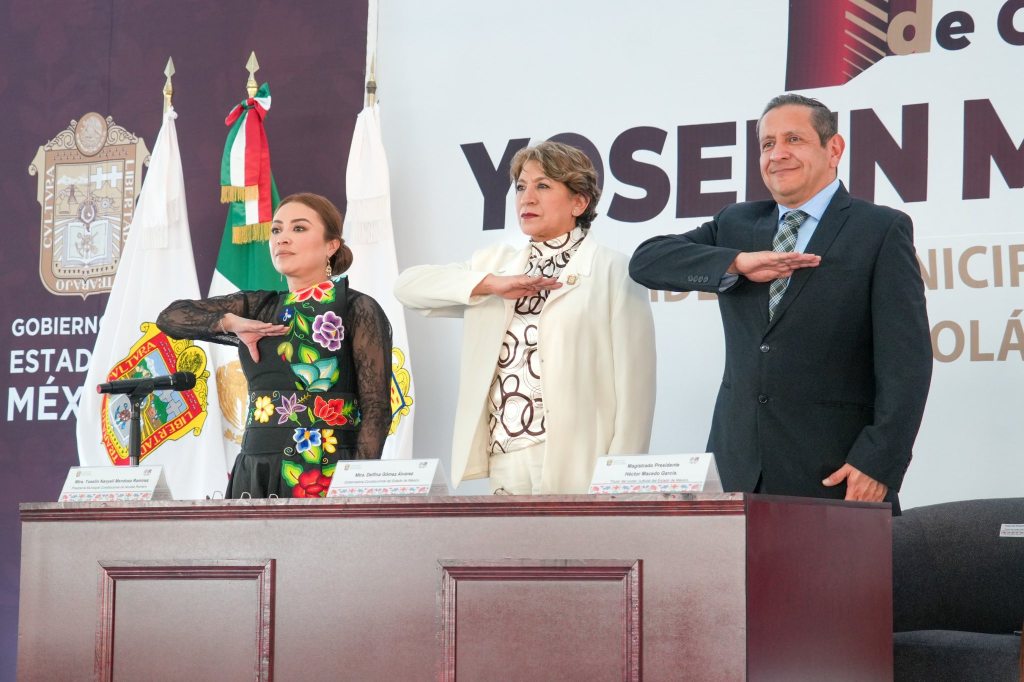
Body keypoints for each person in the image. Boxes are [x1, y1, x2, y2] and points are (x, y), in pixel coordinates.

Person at [629, 94, 932, 512]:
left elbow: (907, 363)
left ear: (834, 149)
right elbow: (647, 260)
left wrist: (879, 462)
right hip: (736, 473)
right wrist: (737, 261)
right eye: (768, 144)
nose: (778, 154)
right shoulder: (737, 222)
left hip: (835, 475)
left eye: (794, 139)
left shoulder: (880, 229)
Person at [395, 141, 656, 494]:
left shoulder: (614, 269)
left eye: (543, 186)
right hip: (506, 453)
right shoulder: (495, 265)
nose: (526, 198)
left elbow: (635, 387)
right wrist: (491, 284)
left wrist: (622, 476)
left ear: (579, 201)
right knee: (512, 550)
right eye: (521, 187)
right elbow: (407, 287)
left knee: (580, 550)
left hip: (579, 459)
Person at [157, 192, 392, 498]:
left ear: (331, 245)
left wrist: (358, 487)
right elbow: (170, 318)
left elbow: (376, 407)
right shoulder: (260, 306)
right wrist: (232, 323)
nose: (282, 239)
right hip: (256, 467)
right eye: (276, 230)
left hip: (324, 467)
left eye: (298, 228)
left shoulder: (355, 307)